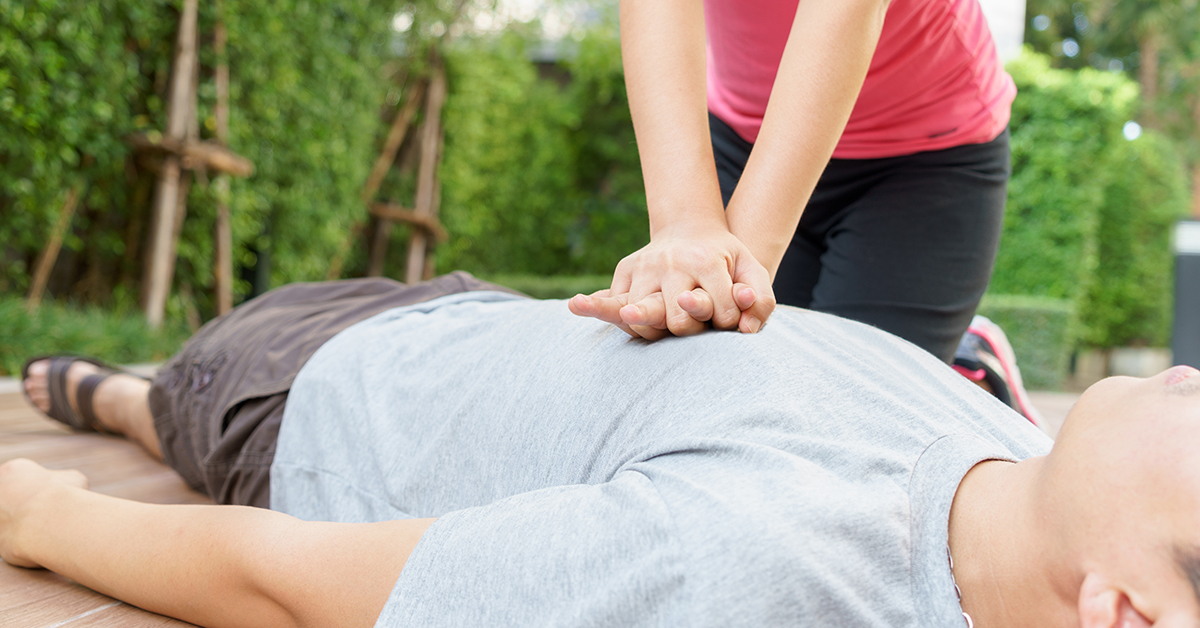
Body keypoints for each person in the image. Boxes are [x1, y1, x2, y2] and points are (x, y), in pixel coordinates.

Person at [4, 272, 1199, 628]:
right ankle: (130, 397)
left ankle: (125, 402)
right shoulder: (1016, 458)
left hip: (301, 393)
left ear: (1128, 609)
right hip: (474, 312)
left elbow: (283, 585)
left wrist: (37, 516)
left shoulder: (749, 570)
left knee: (163, 406)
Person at [573, 0, 1014, 369]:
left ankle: (974, 368)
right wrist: (683, 229)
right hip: (742, 136)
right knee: (710, 367)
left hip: (925, 153)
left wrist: (726, 285)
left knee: (846, 410)